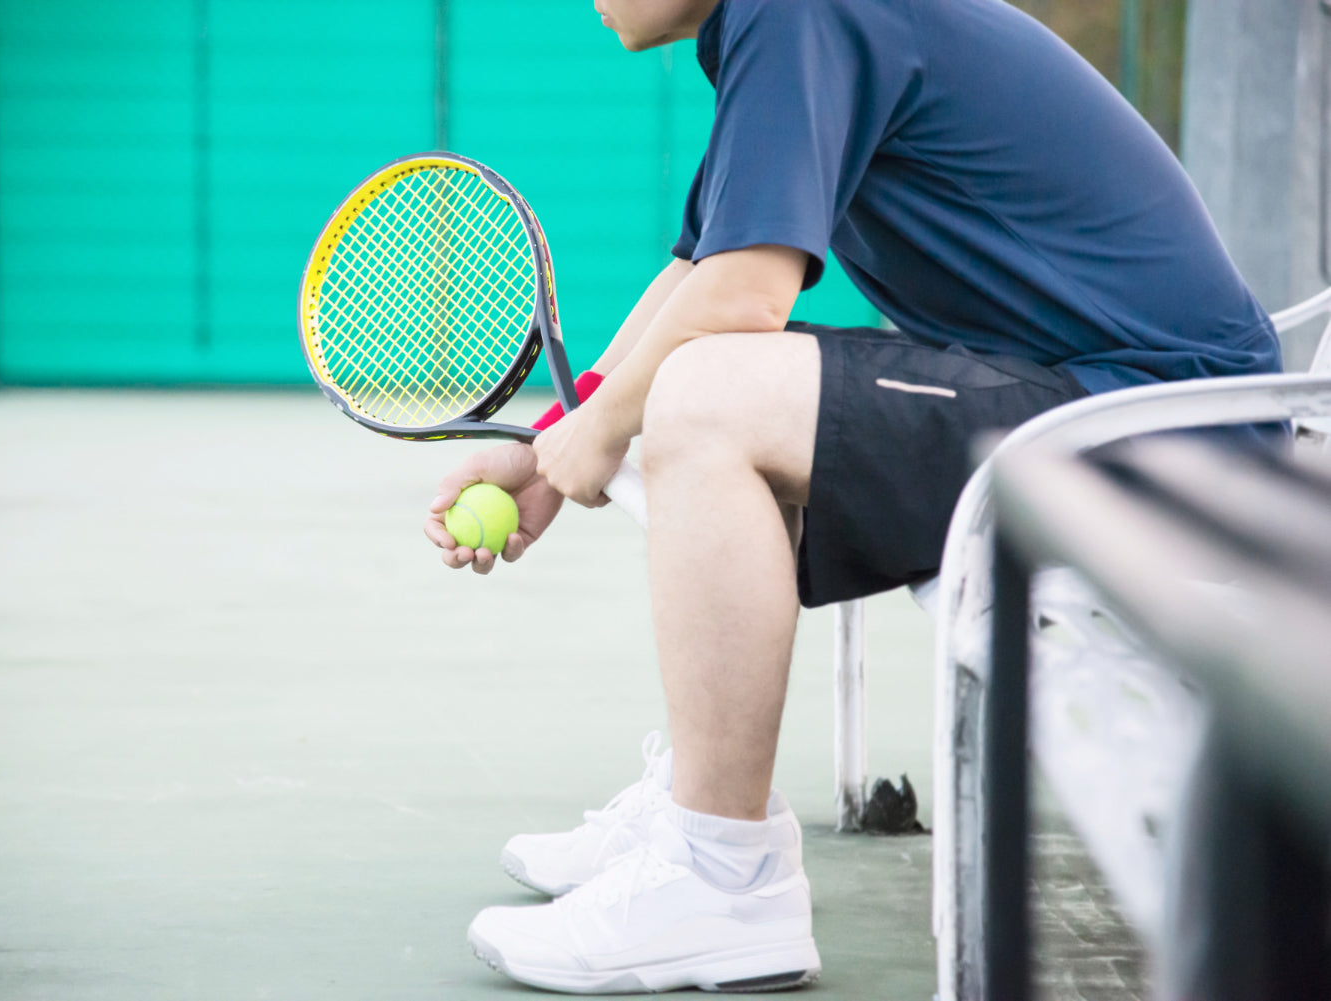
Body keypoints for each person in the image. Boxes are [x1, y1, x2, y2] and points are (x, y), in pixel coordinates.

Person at [423, 0, 1283, 992]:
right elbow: (696, 271)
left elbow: (744, 298)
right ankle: (704, 819)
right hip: (1110, 415)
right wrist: (544, 448)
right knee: (697, 383)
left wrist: (605, 424)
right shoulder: (781, 21)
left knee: (704, 392)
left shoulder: (799, 9)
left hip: (1161, 443)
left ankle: (721, 877)